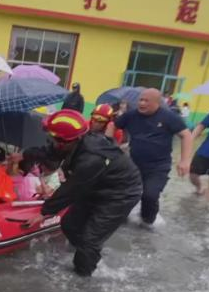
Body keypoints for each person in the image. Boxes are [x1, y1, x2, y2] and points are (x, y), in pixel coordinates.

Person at [26, 110, 141, 277]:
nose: (53, 142)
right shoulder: (72, 142)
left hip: (120, 194)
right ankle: (90, 255)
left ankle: (84, 281)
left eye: (55, 138)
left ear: (68, 140)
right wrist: (24, 155)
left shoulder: (92, 158)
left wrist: (45, 212)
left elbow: (71, 189)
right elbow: (51, 152)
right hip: (96, 185)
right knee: (70, 224)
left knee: (89, 241)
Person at [114, 88, 192, 226]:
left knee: (149, 195)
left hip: (158, 167)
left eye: (146, 101)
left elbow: (186, 135)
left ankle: (148, 222)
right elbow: (113, 125)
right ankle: (121, 220)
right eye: (140, 100)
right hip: (134, 164)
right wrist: (110, 145)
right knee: (124, 193)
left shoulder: (169, 117)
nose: (142, 103)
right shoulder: (131, 115)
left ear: (157, 103)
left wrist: (185, 161)